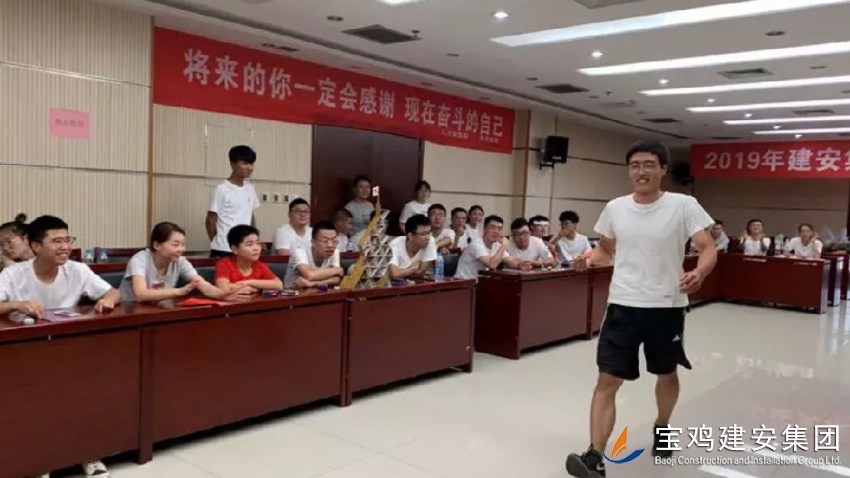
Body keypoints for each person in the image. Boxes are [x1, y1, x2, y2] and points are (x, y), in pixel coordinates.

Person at [566, 139, 716, 478]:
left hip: (666, 306)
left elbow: (707, 247)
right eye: (635, 165)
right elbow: (606, 250)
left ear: (663, 169)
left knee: (666, 373)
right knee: (608, 379)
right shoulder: (615, 208)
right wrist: (588, 259)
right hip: (622, 305)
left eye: (649, 165)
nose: (641, 171)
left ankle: (662, 428)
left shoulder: (683, 205)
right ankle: (594, 456)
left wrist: (700, 272)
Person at [0, 215, 120, 478]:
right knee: (36, 403)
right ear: (36, 246)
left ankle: (88, 454)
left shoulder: (77, 270)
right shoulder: (13, 274)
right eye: (57, 241)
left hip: (70, 349)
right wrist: (16, 304)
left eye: (68, 240)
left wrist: (108, 300)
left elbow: (113, 292)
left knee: (87, 394)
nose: (66, 247)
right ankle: (41, 461)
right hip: (28, 351)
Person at [120, 222, 248, 303]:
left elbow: (202, 284)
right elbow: (141, 294)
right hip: (129, 309)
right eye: (175, 244)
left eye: (183, 244)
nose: (181, 249)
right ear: (157, 245)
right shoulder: (139, 260)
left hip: (159, 308)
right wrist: (179, 291)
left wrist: (223, 295)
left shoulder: (180, 261)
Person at [205, 145, 261, 258]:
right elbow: (210, 220)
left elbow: (250, 216)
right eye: (245, 163)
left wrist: (254, 239)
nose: (249, 167)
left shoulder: (250, 188)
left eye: (251, 164)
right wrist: (217, 242)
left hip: (244, 249)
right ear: (232, 164)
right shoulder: (222, 189)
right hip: (223, 248)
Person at [454, 215, 529, 279]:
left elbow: (509, 260)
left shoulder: (496, 244)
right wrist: (504, 245)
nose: (496, 231)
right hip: (463, 283)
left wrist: (519, 265)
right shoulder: (476, 244)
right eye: (492, 227)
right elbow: (491, 265)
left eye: (499, 228)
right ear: (484, 229)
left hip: (480, 284)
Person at [214, 225, 283, 292]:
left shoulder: (259, 265)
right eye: (249, 244)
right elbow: (223, 288)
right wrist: (257, 288)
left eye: (258, 243)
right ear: (235, 249)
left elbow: (279, 285)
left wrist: (249, 282)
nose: (256, 248)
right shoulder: (225, 264)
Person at [284, 221, 344, 288]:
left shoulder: (334, 252)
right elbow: (309, 275)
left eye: (334, 241)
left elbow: (336, 279)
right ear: (313, 242)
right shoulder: (300, 252)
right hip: (293, 292)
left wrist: (312, 284)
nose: (330, 245)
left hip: (318, 291)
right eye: (325, 241)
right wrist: (338, 270)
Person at [389, 214, 438, 280]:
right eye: (423, 234)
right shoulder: (395, 244)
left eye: (429, 233)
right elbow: (395, 274)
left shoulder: (430, 240)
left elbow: (420, 272)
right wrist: (414, 269)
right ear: (411, 236)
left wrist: (403, 272)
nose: (427, 237)